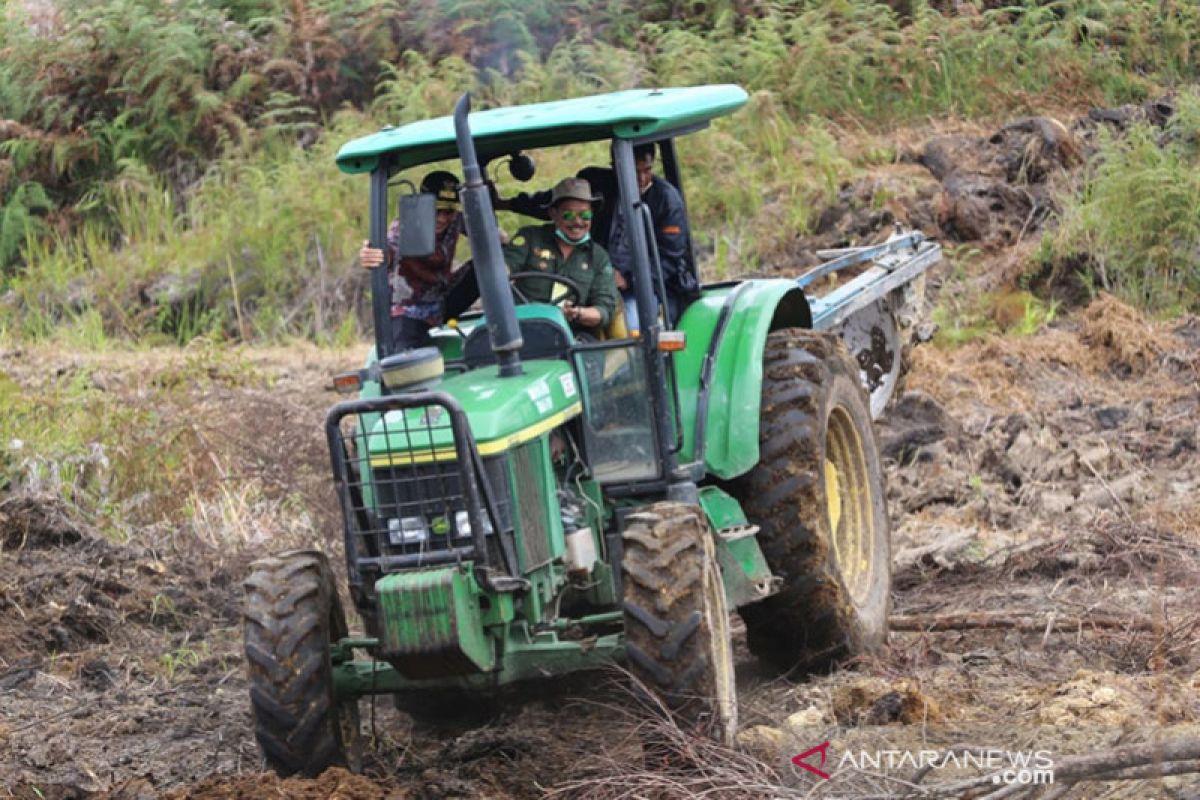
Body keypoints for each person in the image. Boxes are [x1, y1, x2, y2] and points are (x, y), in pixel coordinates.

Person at [499, 143, 697, 329]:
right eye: (634, 172)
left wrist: (629, 279)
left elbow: (670, 259)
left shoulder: (667, 201)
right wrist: (504, 204)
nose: (642, 179)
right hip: (591, 281)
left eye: (647, 170)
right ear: (616, 167)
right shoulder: (596, 185)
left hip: (643, 287)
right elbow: (559, 200)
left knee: (628, 328)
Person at [359, 170, 464, 351]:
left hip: (441, 302)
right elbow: (387, 250)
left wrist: (498, 235)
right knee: (403, 364)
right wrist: (372, 254)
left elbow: (481, 224)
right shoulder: (403, 229)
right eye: (436, 210)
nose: (442, 218)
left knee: (488, 267)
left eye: (448, 212)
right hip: (409, 311)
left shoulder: (455, 222)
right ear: (422, 207)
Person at [502, 177, 618, 335]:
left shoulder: (598, 257)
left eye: (585, 216)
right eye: (568, 216)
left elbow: (604, 310)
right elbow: (504, 268)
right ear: (553, 214)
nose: (577, 222)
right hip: (523, 330)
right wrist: (502, 272)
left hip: (572, 337)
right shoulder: (530, 238)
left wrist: (578, 313)